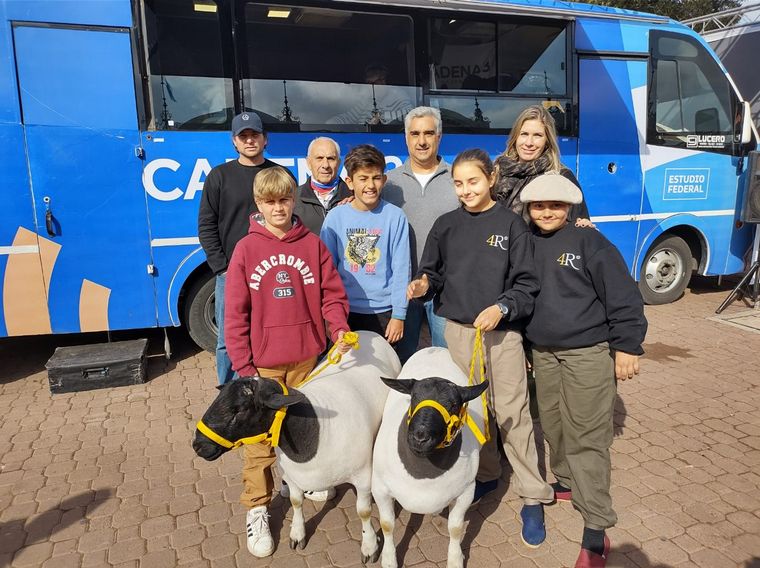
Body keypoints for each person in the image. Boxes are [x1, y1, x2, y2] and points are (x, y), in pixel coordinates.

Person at [407, 149, 553, 549]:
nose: (465, 190)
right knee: (472, 412)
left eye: (473, 181)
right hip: (456, 332)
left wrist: (502, 307)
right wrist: (422, 285)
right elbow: (432, 273)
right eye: (458, 183)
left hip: (501, 335)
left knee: (512, 413)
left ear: (490, 178)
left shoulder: (511, 225)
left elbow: (527, 285)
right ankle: (486, 474)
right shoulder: (446, 225)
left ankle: (533, 495)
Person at [519, 173, 647, 568]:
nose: (547, 212)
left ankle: (596, 525)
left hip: (588, 352)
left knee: (588, 435)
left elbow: (623, 294)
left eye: (556, 205)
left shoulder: (589, 241)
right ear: (528, 207)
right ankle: (566, 481)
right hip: (544, 352)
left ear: (570, 206)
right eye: (539, 205)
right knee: (554, 425)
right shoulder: (525, 243)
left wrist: (626, 345)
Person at [224, 167, 351, 558]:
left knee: (300, 429)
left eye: (283, 200)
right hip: (263, 365)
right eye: (269, 202)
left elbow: (331, 295)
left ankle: (300, 480)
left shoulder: (312, 245)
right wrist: (244, 366)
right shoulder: (246, 250)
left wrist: (339, 330)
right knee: (259, 440)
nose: (277, 208)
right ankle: (258, 507)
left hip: (306, 359)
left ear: (292, 200)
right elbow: (235, 314)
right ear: (258, 204)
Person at [198, 111, 294, 385]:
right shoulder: (219, 177)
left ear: (265, 139)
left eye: (255, 135)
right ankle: (228, 394)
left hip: (272, 273)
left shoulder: (280, 174)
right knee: (228, 339)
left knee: (271, 332)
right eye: (244, 136)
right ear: (234, 142)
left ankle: (270, 388)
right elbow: (206, 226)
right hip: (232, 275)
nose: (250, 140)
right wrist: (224, 269)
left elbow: (291, 219)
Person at [383, 106, 459, 362]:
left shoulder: (457, 180)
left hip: (445, 291)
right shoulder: (388, 183)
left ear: (439, 136)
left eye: (429, 133)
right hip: (403, 289)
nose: (422, 141)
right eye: (415, 134)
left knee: (446, 362)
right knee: (400, 362)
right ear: (406, 137)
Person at [320, 144, 410, 346]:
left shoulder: (395, 217)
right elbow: (327, 270)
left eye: (376, 178)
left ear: (384, 180)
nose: (370, 185)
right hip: (345, 311)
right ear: (349, 182)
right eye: (363, 178)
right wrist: (331, 316)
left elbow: (401, 269)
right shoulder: (335, 217)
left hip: (385, 312)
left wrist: (399, 314)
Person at [495, 105, 590, 223]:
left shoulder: (561, 177)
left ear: (547, 141)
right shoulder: (498, 171)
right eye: (524, 134)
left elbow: (579, 224)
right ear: (515, 137)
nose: (529, 143)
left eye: (537, 135)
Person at [294, 137, 352, 235]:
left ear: (338, 163)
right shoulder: (293, 198)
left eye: (331, 158)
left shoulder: (353, 197)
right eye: (319, 158)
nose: (325, 165)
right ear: (308, 162)